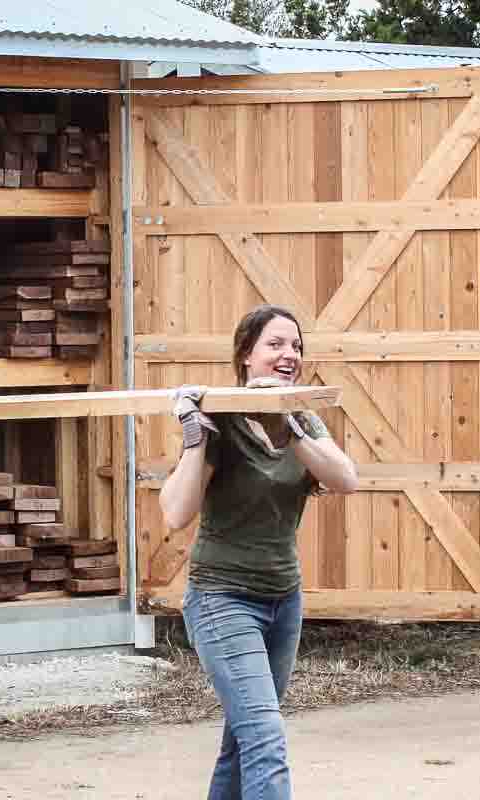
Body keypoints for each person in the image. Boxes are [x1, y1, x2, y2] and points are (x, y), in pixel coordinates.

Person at [159, 304, 358, 800]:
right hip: (222, 601)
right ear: (246, 356)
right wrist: (194, 439)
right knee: (264, 738)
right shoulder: (220, 421)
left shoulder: (303, 419)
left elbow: (346, 480)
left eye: (295, 346)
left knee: (242, 739)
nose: (288, 354)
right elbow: (175, 513)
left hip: (283, 601)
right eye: (275, 344)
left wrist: (290, 426)